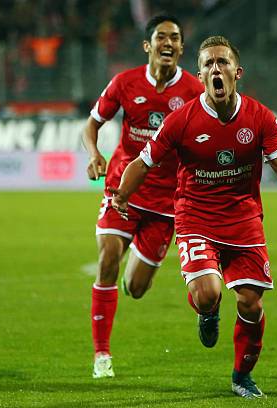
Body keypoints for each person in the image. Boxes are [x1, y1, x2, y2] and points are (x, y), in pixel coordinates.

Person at [108, 36, 277, 399]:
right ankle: (207, 311)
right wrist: (121, 195)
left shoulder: (260, 117)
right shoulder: (180, 119)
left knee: (251, 301)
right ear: (200, 75)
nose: (216, 69)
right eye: (209, 64)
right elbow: (143, 162)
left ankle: (241, 376)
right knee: (208, 294)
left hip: (243, 218)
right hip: (195, 217)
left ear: (237, 71)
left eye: (223, 63)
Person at [81, 14, 204, 379]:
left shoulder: (195, 92)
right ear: (148, 46)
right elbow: (92, 124)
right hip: (122, 187)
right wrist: (94, 154)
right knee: (107, 258)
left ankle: (136, 273)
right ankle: (102, 355)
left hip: (165, 202)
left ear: (182, 48)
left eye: (175, 38)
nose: (169, 42)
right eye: (161, 37)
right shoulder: (125, 82)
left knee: (136, 288)